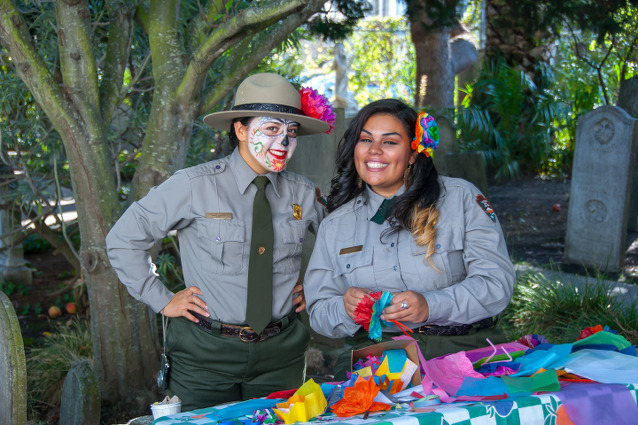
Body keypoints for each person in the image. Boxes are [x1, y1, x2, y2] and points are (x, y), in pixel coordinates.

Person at [105, 73, 335, 410]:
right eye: (272, 129)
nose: (284, 141)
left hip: (281, 354)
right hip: (205, 357)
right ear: (241, 131)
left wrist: (318, 285)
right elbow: (123, 239)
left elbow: (342, 246)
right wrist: (162, 299)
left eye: (292, 132)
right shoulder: (193, 186)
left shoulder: (302, 192)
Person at [303, 99, 515, 380]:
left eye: (390, 142)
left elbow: (496, 282)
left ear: (414, 152)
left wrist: (430, 305)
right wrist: (344, 308)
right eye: (366, 139)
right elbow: (319, 310)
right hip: (382, 359)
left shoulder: (460, 199)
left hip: (465, 350)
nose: (374, 150)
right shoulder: (335, 226)